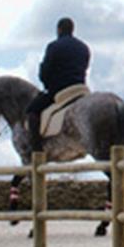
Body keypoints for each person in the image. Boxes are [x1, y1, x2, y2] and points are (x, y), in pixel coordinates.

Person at [26, 17, 90, 151]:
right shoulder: (84, 47)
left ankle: (37, 151)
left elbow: (46, 71)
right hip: (81, 89)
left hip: (61, 90)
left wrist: (46, 83)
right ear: (72, 29)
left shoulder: (54, 46)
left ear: (59, 30)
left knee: (32, 111)